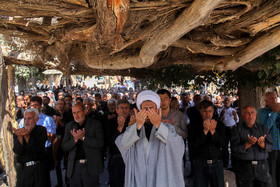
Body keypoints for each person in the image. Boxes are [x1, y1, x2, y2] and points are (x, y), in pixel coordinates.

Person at [115, 90, 185, 187]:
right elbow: (122, 144)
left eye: (151, 108)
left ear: (157, 110)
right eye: (145, 109)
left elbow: (179, 145)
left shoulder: (167, 127)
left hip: (161, 179)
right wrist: (137, 127)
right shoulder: (134, 128)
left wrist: (159, 126)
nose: (148, 112)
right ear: (139, 111)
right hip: (139, 180)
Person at [62, 103, 104, 187]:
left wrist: (84, 138)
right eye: (74, 113)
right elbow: (64, 146)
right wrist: (74, 140)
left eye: (78, 112)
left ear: (85, 112)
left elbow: (100, 143)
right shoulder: (69, 126)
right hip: (74, 167)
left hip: (90, 166)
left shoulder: (95, 124)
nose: (76, 115)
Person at [18, 96, 56, 187]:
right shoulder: (23, 121)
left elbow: (52, 136)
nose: (34, 107)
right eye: (32, 105)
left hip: (44, 152)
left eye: (36, 105)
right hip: (27, 154)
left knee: (43, 179)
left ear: (40, 106)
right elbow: (20, 135)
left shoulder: (48, 119)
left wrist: (38, 134)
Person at [231, 106, 273, 187]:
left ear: (256, 114)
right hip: (245, 168)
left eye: (252, 112)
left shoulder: (263, 128)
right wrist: (247, 144)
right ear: (242, 115)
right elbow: (234, 149)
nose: (250, 115)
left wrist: (262, 145)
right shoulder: (237, 129)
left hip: (262, 168)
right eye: (247, 113)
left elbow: (271, 146)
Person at [188, 100, 226, 187]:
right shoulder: (193, 126)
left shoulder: (219, 125)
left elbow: (222, 144)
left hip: (216, 162)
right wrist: (205, 131)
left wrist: (213, 131)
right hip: (199, 163)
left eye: (210, 111)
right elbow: (193, 144)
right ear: (200, 111)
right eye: (204, 111)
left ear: (213, 111)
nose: (207, 114)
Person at [13, 108, 47, 187]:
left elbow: (38, 149)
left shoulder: (41, 130)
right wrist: (20, 138)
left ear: (36, 119)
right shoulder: (19, 132)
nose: (26, 121)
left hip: (37, 171)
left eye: (29, 118)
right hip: (23, 171)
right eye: (25, 119)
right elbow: (17, 151)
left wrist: (27, 136)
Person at [105, 99, 135, 187]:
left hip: (131, 158)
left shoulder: (133, 122)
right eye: (122, 108)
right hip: (116, 159)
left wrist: (131, 127)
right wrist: (119, 128)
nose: (124, 110)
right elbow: (109, 143)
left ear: (129, 110)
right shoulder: (110, 122)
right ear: (117, 110)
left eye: (126, 108)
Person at [257, 92, 280, 187]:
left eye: (275, 98)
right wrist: (274, 113)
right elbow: (264, 129)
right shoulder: (262, 112)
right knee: (271, 173)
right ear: (266, 101)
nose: (274, 100)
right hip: (271, 147)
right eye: (272, 98)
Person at [219, 96, 239, 168]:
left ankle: (234, 164)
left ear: (230, 102)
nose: (227, 102)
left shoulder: (233, 110)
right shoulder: (221, 110)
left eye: (228, 101)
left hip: (232, 129)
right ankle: (225, 163)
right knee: (224, 147)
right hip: (224, 129)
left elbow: (237, 120)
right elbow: (220, 121)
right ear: (223, 102)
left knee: (233, 147)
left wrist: (234, 115)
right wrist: (222, 114)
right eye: (225, 101)